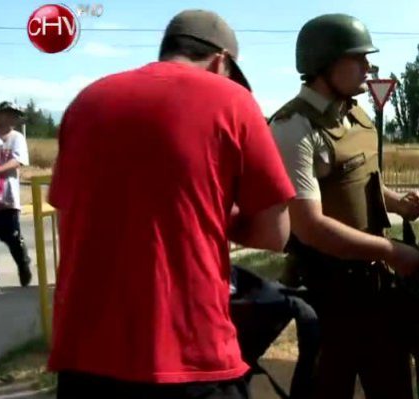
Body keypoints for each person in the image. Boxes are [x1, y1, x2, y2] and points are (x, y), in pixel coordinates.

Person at [47, 9, 295, 399]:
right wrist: (209, 215)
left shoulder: (86, 102)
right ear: (221, 61)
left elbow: (69, 211)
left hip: (84, 356)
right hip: (190, 354)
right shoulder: (233, 101)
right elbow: (276, 232)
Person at [269, 13, 419, 399]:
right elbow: (310, 226)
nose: (368, 67)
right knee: (326, 385)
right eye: (358, 58)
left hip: (375, 288)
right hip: (328, 293)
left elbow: (361, 182)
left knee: (393, 384)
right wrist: (394, 251)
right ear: (326, 62)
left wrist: (397, 205)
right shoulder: (294, 127)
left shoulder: (354, 114)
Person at [0, 101, 32, 296]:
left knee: (12, 238)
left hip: (7, 199)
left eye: (16, 115)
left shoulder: (16, 138)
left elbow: (18, 161)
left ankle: (22, 262)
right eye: (9, 114)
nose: (12, 118)